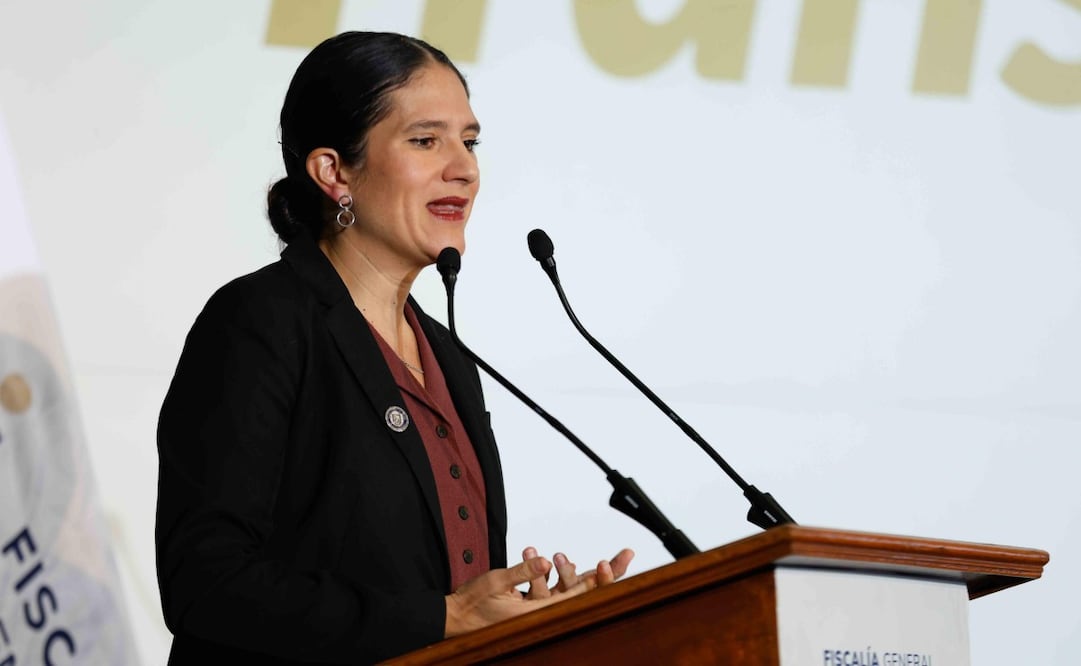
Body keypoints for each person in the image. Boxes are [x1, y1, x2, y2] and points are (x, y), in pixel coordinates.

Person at [155, 31, 633, 664]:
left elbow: (451, 604)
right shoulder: (259, 322)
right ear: (334, 171)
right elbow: (206, 583)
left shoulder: (449, 356)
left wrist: (527, 617)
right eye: (424, 140)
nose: (463, 167)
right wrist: (443, 617)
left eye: (469, 141)